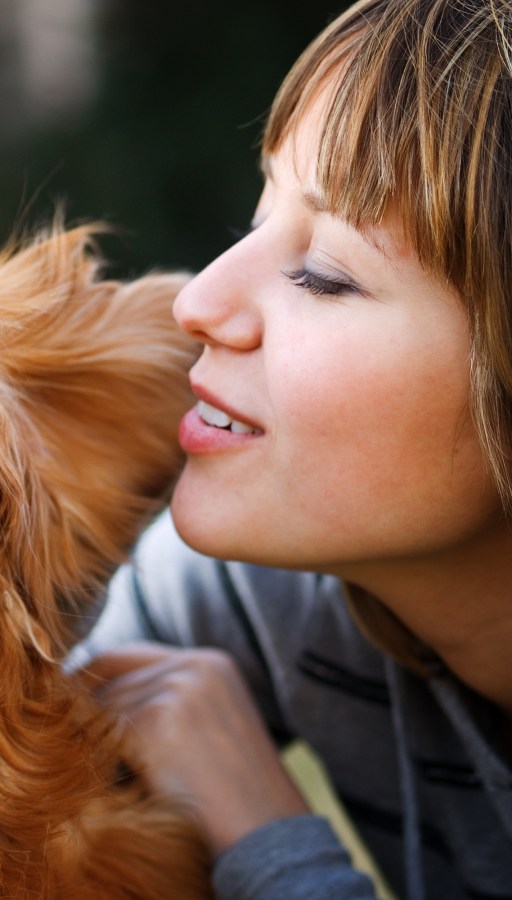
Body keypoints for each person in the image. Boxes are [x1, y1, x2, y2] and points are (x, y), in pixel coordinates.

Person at [67, 1, 512, 898]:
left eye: (326, 274)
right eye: (259, 217)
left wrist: (271, 846)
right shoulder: (275, 594)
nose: (198, 301)